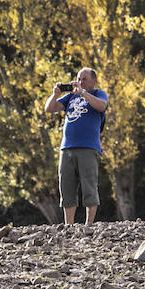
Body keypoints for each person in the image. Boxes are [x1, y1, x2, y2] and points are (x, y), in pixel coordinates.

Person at [44, 67, 109, 225]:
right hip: (67, 148)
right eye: (78, 79)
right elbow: (49, 109)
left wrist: (83, 94)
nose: (80, 82)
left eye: (84, 79)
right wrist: (55, 94)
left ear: (93, 80)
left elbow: (102, 106)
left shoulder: (97, 94)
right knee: (67, 186)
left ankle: (89, 224)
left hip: (88, 147)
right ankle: (69, 225)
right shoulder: (69, 97)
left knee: (89, 186)